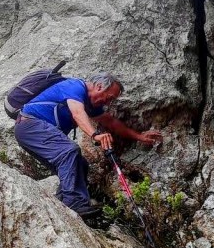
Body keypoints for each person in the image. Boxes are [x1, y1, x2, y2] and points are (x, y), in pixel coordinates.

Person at [14, 72, 162, 220]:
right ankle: (74, 204)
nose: (108, 103)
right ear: (99, 87)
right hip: (29, 125)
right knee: (69, 152)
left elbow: (110, 122)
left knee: (80, 163)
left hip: (33, 131)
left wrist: (139, 136)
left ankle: (61, 206)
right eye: (109, 97)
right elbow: (78, 113)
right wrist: (95, 135)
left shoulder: (90, 104)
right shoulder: (75, 87)